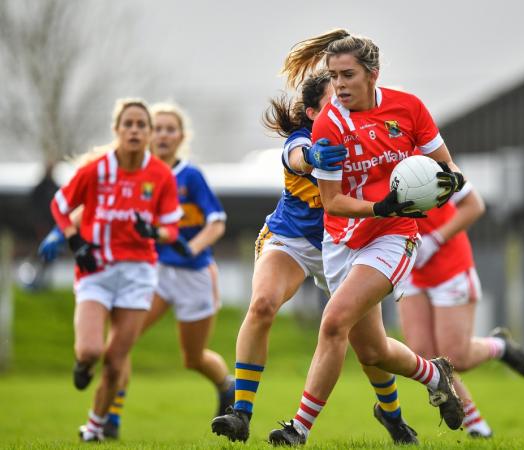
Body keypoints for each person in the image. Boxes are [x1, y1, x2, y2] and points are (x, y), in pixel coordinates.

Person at [268, 29, 468, 446]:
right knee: (374, 352)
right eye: (334, 76)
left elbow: (445, 166)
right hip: (342, 241)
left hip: (393, 236)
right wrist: (382, 205)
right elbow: (334, 202)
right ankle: (435, 375)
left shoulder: (409, 108)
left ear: (372, 74)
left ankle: (298, 429)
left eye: (348, 75)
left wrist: (446, 181)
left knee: (334, 321)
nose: (339, 85)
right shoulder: (329, 125)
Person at [211, 70, 418, 445]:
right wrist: (312, 154)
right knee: (262, 304)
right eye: (332, 102)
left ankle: (392, 414)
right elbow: (297, 158)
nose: (343, 106)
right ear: (312, 113)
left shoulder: (363, 136)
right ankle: (240, 412)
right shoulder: (302, 139)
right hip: (292, 240)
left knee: (371, 349)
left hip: (345, 247)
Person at [50, 98, 182, 442]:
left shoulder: (161, 175)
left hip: (138, 275)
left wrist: (152, 231)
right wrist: (74, 240)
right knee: (91, 351)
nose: (135, 130)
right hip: (97, 270)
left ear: (150, 133)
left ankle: (93, 427)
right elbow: (60, 205)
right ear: (117, 130)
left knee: (116, 359)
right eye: (129, 124)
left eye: (142, 125)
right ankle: (82, 365)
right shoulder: (97, 170)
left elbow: (171, 229)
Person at [102, 102, 234, 439]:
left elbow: (216, 223)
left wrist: (192, 246)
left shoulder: (190, 176)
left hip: (194, 274)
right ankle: (110, 418)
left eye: (168, 129)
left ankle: (225, 387)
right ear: (145, 134)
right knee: (120, 344)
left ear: (180, 137)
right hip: (154, 273)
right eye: (155, 128)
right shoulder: (136, 176)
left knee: (192, 359)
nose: (161, 135)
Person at [397, 180, 524, 438]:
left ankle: (500, 346)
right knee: (424, 355)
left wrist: (435, 240)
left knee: (455, 357)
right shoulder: (371, 153)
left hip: (449, 267)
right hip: (411, 267)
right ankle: (475, 424)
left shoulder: (434, 157)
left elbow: (474, 206)